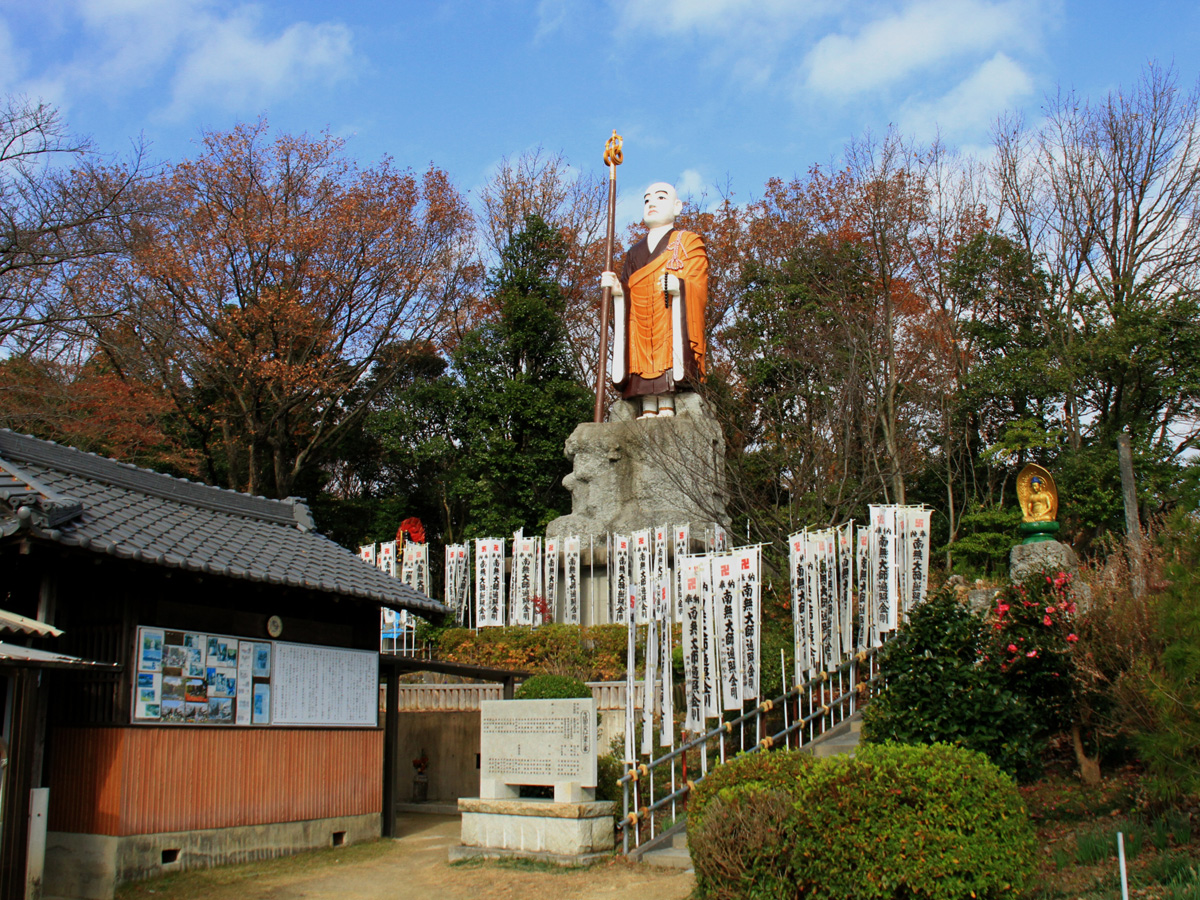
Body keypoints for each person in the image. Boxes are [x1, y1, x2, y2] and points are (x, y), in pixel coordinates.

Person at [601, 182, 708, 419]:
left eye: (660, 198)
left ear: (677, 207)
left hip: (669, 314)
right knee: (639, 359)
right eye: (647, 199)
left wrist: (679, 285)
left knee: (668, 353)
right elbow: (627, 286)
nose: (651, 203)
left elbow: (697, 280)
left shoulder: (688, 241)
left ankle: (668, 402)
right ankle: (648, 405)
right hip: (639, 319)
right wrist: (618, 290)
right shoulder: (634, 252)